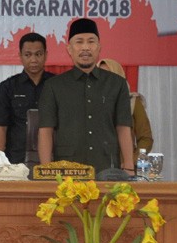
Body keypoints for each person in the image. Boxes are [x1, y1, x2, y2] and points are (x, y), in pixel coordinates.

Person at [37, 18, 134, 175]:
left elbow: (123, 128)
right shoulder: (53, 86)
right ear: (69, 48)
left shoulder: (117, 83)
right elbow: (45, 131)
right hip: (67, 171)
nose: (85, 47)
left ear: (99, 47)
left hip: (107, 168)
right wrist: (46, 171)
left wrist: (129, 167)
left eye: (91, 42)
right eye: (79, 42)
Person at [0, 32, 55, 164]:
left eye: (38, 54)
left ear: (46, 55)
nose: (33, 60)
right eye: (28, 54)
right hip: (16, 160)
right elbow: (1, 128)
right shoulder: (7, 87)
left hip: (52, 160)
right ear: (20, 56)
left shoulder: (58, 84)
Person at [97, 58, 153, 166]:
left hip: (125, 167)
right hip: (95, 166)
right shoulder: (89, 102)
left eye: (109, 74)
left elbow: (145, 138)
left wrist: (132, 161)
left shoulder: (132, 101)